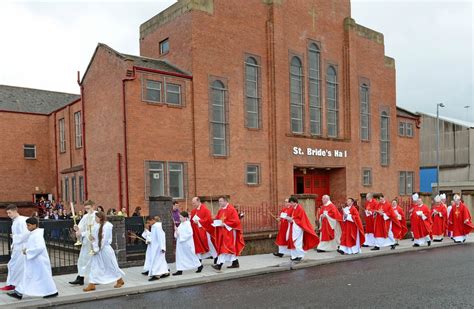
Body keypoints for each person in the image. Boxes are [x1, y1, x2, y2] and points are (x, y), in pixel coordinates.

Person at [7, 217, 58, 300]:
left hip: (39, 260)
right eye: (27, 225)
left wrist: (27, 251)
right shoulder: (34, 233)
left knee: (42, 276)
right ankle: (19, 292)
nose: (27, 227)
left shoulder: (37, 235)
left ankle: (52, 291)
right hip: (35, 260)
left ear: (34, 225)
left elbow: (39, 247)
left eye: (29, 225)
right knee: (30, 275)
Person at [83, 211, 125, 292]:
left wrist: (96, 249)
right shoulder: (97, 226)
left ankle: (119, 279)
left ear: (100, 218)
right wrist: (90, 238)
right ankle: (91, 284)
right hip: (98, 249)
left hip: (104, 249)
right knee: (94, 266)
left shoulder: (107, 226)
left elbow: (104, 240)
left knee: (110, 265)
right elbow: (95, 237)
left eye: (96, 218)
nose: (95, 219)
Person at [69, 200, 99, 286]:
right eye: (86, 209)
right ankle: (80, 278)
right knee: (82, 260)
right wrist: (77, 228)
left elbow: (94, 230)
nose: (87, 210)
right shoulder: (85, 216)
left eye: (88, 208)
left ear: (93, 206)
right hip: (86, 242)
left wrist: (82, 233)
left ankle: (95, 278)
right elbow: (81, 227)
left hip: (93, 242)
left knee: (93, 261)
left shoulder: (97, 215)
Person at [211, 196, 245, 271]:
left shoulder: (231, 209)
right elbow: (218, 218)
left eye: (221, 201)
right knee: (228, 248)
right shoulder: (221, 210)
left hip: (230, 232)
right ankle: (235, 263)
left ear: (225, 201)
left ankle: (219, 265)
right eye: (219, 201)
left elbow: (236, 221)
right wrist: (214, 219)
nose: (219, 203)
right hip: (223, 231)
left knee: (225, 248)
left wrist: (225, 224)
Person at [1, 205, 29, 291]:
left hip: (22, 248)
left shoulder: (22, 220)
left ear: (15, 211)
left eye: (10, 212)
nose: (8, 215)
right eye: (7, 213)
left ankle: (13, 284)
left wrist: (15, 236)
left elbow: (26, 234)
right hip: (17, 247)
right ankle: (12, 284)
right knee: (13, 265)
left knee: (16, 266)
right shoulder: (16, 221)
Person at [284, 196, 319, 261]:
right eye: (290, 203)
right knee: (292, 242)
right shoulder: (292, 208)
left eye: (291, 203)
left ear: (295, 202)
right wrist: (287, 218)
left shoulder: (300, 208)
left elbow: (301, 219)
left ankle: (300, 255)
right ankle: (294, 256)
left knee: (297, 242)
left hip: (298, 227)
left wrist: (293, 220)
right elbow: (289, 215)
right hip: (293, 227)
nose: (290, 204)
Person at [173, 211, 203, 275]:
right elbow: (178, 233)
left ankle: (199, 265)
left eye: (181, 217)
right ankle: (179, 270)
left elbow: (190, 233)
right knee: (180, 256)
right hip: (180, 244)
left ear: (185, 218)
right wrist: (176, 232)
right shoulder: (181, 224)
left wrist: (181, 236)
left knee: (191, 255)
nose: (179, 218)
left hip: (186, 243)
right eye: (179, 217)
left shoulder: (187, 224)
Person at [147, 216, 171, 281]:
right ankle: (165, 272)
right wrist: (149, 240)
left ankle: (156, 275)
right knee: (161, 260)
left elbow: (161, 237)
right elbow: (153, 236)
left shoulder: (157, 227)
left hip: (158, 247)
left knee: (156, 261)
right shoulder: (154, 226)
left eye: (149, 222)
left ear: (152, 220)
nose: (149, 224)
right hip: (155, 247)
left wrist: (162, 247)